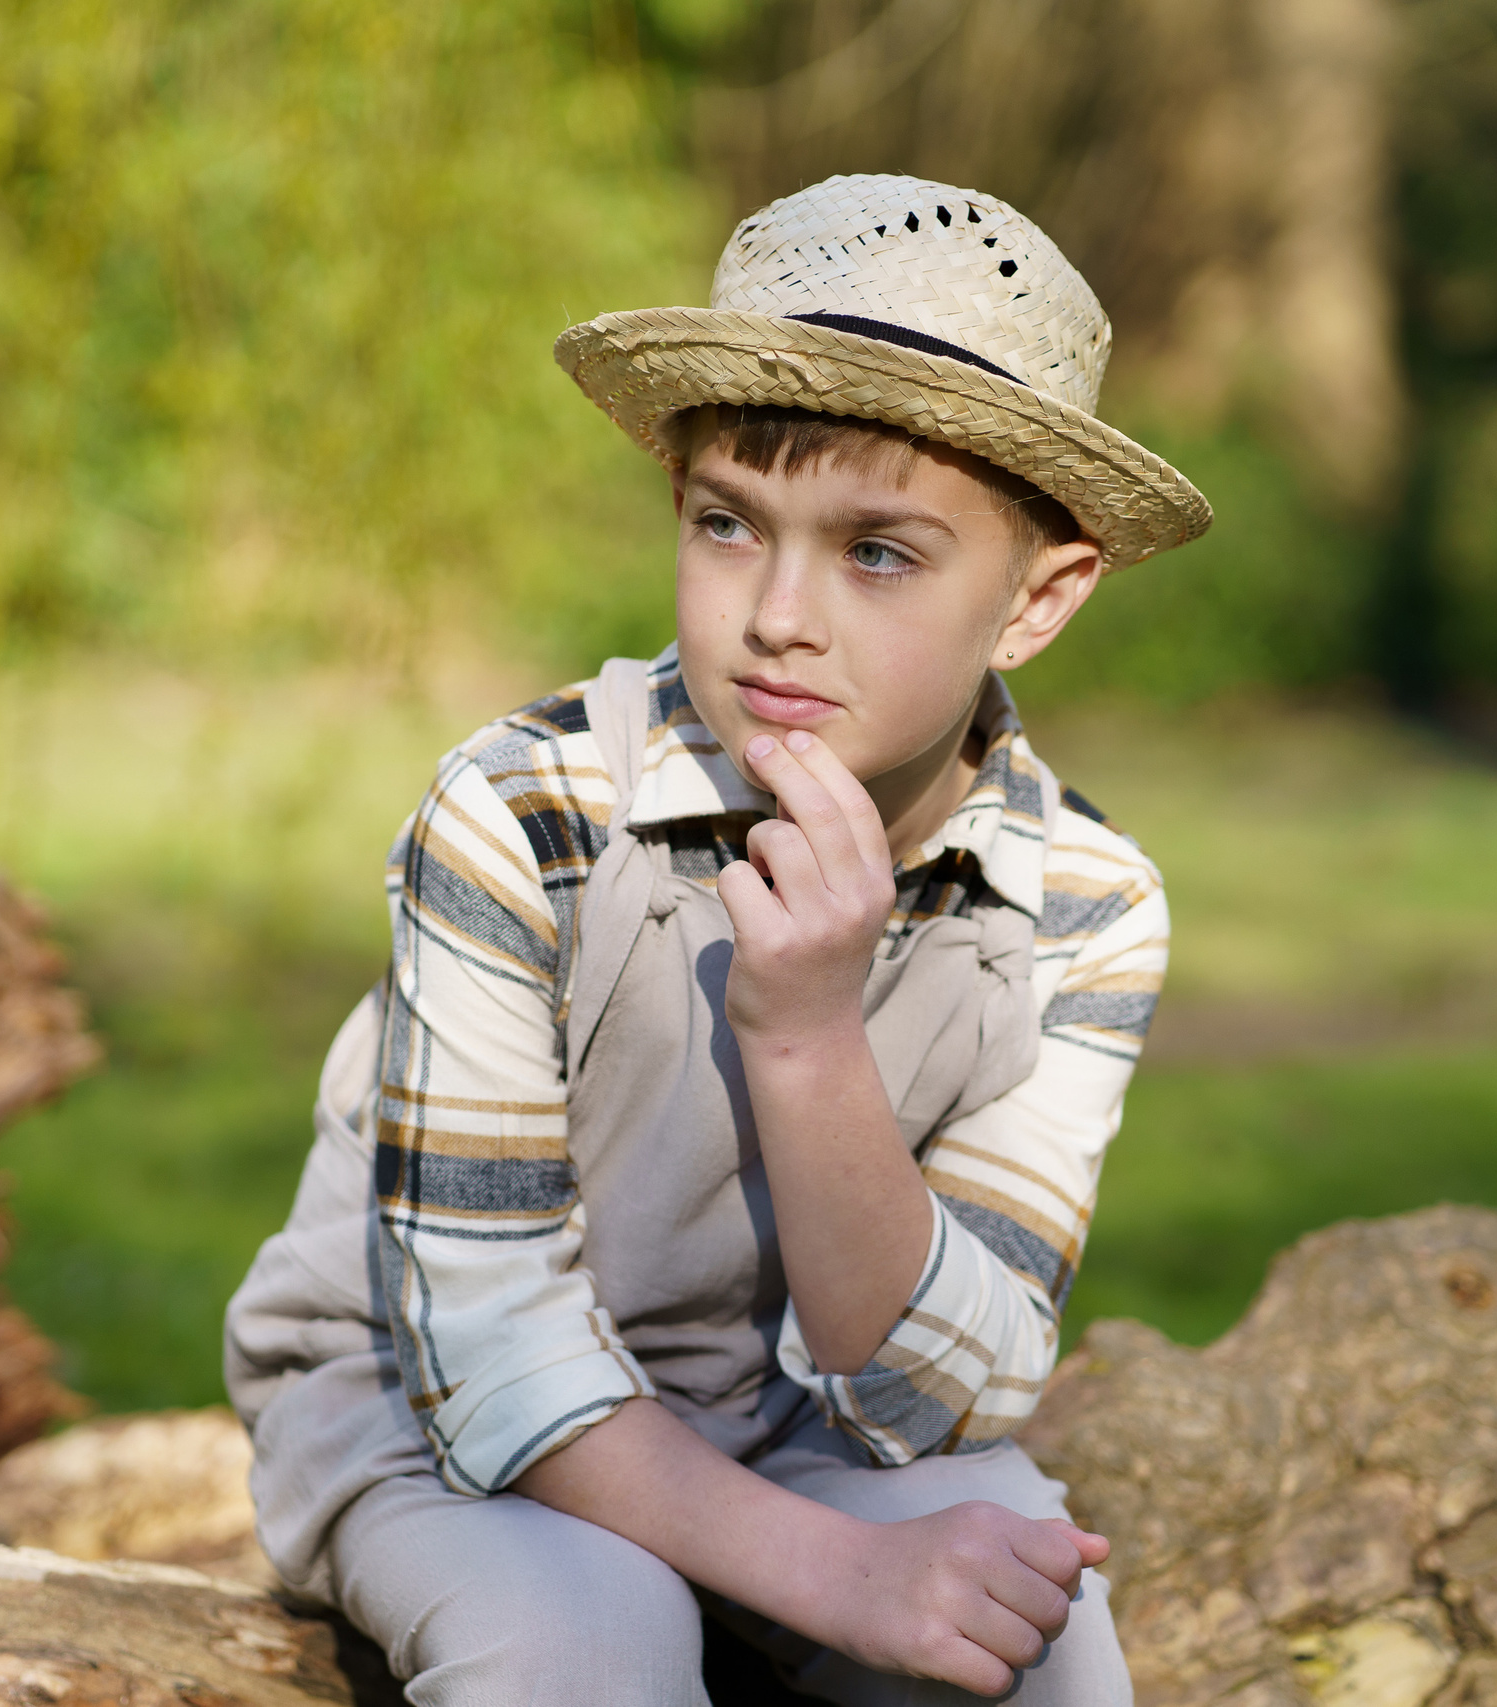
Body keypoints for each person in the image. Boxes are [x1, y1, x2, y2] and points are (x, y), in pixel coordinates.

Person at [225, 173, 1209, 1705]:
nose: (780, 618)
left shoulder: (1080, 906)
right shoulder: (524, 816)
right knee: (590, 1646)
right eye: (729, 526)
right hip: (424, 1402)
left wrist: (810, 1038)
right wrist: (836, 1574)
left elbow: (951, 1389)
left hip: (787, 1412)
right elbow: (484, 1350)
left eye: (880, 553)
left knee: (1045, 1648)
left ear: (1038, 597)